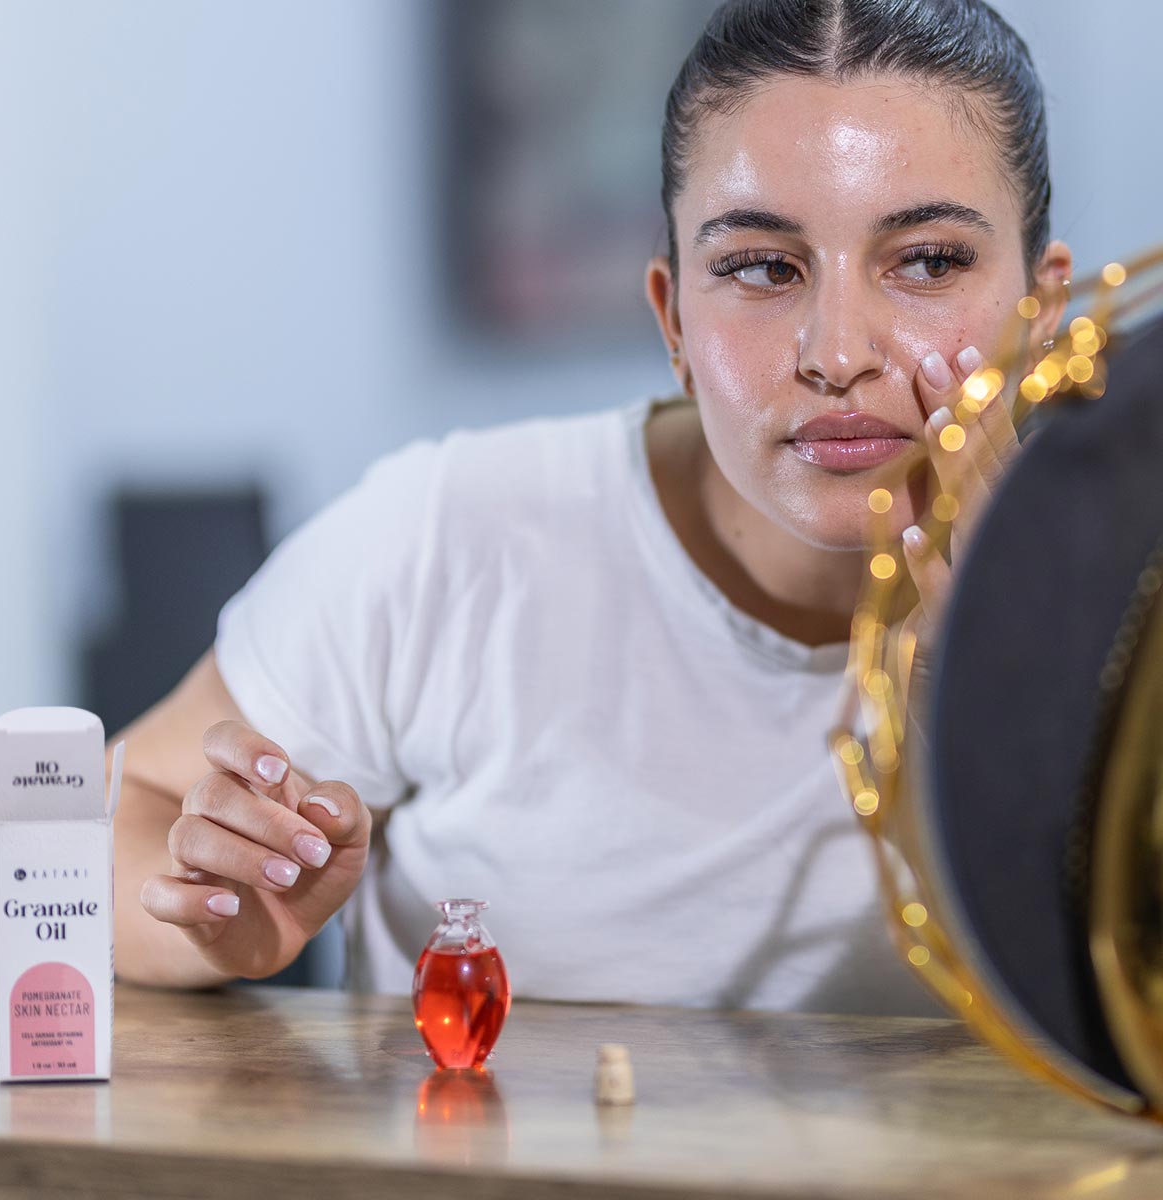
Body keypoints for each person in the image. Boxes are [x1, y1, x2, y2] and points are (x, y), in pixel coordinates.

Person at [111, 0, 1071, 1013]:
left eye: (926, 261)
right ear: (672, 318)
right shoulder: (454, 536)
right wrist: (215, 911)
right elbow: (104, 815)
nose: (839, 353)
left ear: (1044, 313)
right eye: (761, 267)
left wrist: (1024, 740)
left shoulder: (1130, 608)